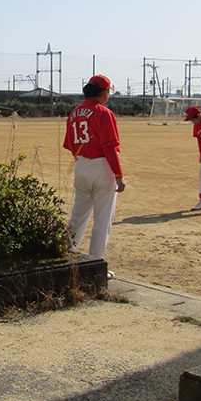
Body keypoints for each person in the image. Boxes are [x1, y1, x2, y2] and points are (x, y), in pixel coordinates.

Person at [63, 75, 126, 263]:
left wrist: (84, 161)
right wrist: (119, 174)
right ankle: (95, 263)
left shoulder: (74, 113)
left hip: (81, 165)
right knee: (102, 220)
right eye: (108, 91)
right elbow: (109, 147)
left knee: (78, 216)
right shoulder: (103, 112)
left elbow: (70, 145)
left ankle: (65, 254)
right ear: (104, 92)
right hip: (102, 167)